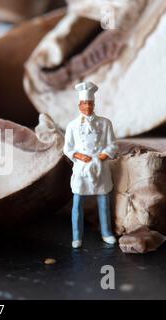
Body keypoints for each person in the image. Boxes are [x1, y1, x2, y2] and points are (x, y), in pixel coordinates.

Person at [63, 81, 118, 249]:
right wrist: (79, 155)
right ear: (79, 105)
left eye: (90, 103)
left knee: (103, 201)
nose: (87, 106)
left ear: (94, 104)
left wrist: (103, 155)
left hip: (100, 167)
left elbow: (113, 145)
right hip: (81, 169)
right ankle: (77, 236)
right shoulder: (72, 125)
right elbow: (67, 148)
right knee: (77, 202)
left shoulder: (105, 123)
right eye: (84, 103)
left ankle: (106, 232)